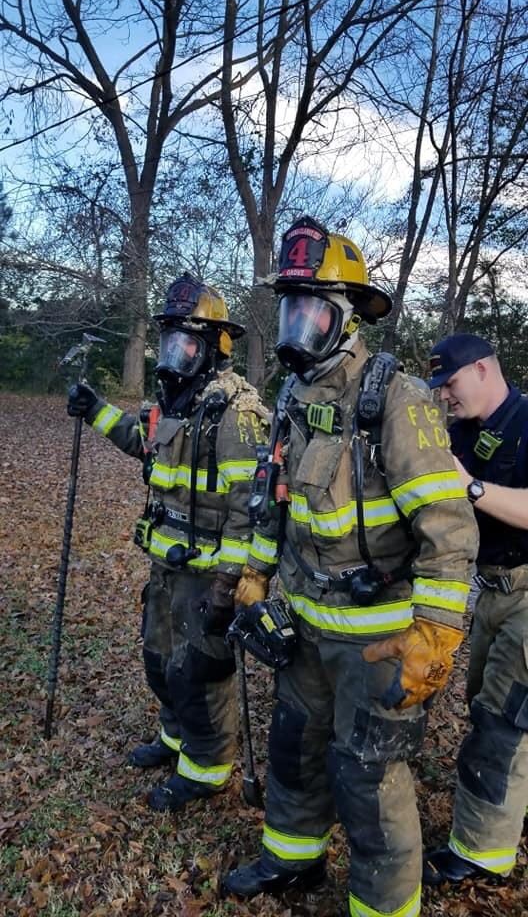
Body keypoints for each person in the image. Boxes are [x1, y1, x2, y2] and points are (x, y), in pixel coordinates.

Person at [221, 216, 478, 917]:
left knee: (368, 777)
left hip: (379, 638)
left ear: (347, 318)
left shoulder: (396, 400)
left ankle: (383, 906)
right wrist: (255, 575)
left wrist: (435, 631)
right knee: (295, 749)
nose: (296, 326)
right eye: (290, 309)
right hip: (303, 625)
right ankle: (291, 860)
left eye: (312, 311)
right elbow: (269, 499)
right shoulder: (291, 397)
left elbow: (449, 528)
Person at [67, 274, 269, 811]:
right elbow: (144, 446)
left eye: (185, 344)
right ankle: (175, 738)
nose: (172, 354)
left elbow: (250, 510)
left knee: (199, 668)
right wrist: (96, 410)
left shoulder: (234, 412)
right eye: (168, 342)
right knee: (159, 659)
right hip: (165, 564)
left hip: (208, 574)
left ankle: (205, 767)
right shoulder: (175, 401)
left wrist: (229, 586)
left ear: (214, 347)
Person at [423, 333, 528, 885]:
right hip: (489, 590)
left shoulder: (527, 421)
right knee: (484, 704)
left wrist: (473, 490)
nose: (444, 397)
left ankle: (480, 854)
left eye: (452, 384)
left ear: (484, 370)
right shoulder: (463, 431)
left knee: (501, 721)